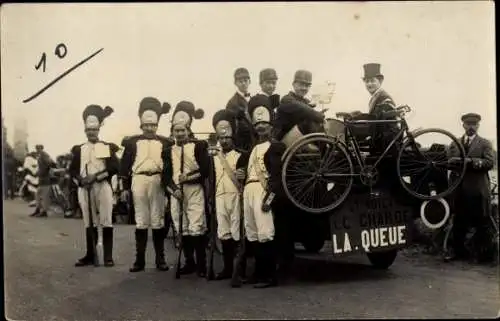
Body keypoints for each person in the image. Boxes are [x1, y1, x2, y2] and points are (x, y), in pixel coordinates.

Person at [120, 97, 173, 272]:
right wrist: (125, 188)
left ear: (157, 125)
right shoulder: (132, 142)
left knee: (158, 220)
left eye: (153, 125)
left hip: (157, 181)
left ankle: (160, 259)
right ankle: (139, 260)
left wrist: (167, 185)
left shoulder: (166, 142)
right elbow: (125, 165)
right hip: (138, 180)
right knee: (141, 220)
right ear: (141, 125)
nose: (150, 128)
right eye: (146, 125)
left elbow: (168, 166)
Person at [68, 104, 120, 267]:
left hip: (102, 186)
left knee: (106, 219)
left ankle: (108, 256)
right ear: (85, 130)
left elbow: (113, 168)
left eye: (94, 130)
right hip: (84, 188)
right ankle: (90, 254)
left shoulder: (107, 146)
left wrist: (96, 177)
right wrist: (81, 180)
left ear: (99, 130)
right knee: (88, 221)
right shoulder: (79, 149)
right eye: (88, 130)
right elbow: (73, 171)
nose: (91, 132)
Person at [163, 101, 210, 278]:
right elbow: (165, 176)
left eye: (183, 130)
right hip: (177, 193)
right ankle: (189, 262)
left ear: (188, 129)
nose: (180, 133)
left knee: (196, 226)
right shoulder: (168, 151)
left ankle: (202, 264)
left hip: (195, 190)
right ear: (173, 132)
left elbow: (205, 170)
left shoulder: (199, 146)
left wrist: (188, 178)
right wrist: (174, 190)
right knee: (182, 227)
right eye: (177, 130)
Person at [244, 95, 287, 288]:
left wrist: (269, 199)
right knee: (252, 233)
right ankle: (258, 272)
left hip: (263, 191)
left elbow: (277, 178)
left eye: (264, 124)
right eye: (258, 124)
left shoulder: (276, 146)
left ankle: (269, 276)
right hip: (248, 191)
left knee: (266, 234)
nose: (261, 127)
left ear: (271, 126)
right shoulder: (253, 148)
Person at [446, 113, 495, 263]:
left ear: (478, 126)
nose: (471, 127)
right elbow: (448, 162)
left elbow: (489, 163)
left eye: (474, 124)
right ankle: (459, 252)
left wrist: (470, 161)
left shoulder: (485, 143)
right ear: (463, 125)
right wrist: (452, 162)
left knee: (482, 222)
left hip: (477, 190)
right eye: (468, 124)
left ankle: (483, 256)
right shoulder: (455, 143)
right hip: (459, 190)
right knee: (459, 222)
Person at [210, 109, 249, 281]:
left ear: (233, 137)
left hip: (235, 196)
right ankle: (227, 269)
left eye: (227, 138)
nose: (224, 141)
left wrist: (243, 175)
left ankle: (239, 270)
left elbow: (246, 176)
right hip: (219, 197)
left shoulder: (242, 155)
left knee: (237, 233)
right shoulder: (213, 157)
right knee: (223, 232)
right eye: (221, 138)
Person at [274, 70, 325, 146]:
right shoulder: (286, 99)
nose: (304, 88)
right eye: (301, 84)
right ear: (294, 84)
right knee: (309, 122)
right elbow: (300, 108)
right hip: (281, 143)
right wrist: (319, 115)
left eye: (307, 86)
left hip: (297, 142)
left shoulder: (305, 102)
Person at [225, 67, 256, 153]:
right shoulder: (232, 103)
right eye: (240, 81)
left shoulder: (254, 99)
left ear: (249, 81)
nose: (243, 83)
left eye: (245, 80)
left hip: (256, 140)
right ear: (235, 83)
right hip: (242, 144)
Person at [30, 144, 58, 218]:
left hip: (45, 178)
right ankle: (38, 209)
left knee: (44, 196)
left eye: (39, 148)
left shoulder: (44, 154)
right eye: (37, 148)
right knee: (38, 195)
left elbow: (49, 164)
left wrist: (42, 172)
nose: (37, 149)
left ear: (42, 148)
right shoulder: (40, 155)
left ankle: (44, 211)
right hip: (42, 179)